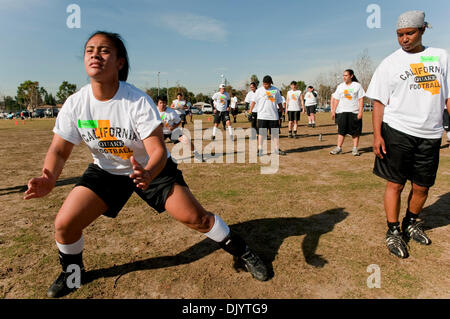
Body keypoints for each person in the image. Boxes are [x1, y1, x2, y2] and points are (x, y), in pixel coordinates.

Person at [23, 31, 269, 298]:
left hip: (151, 168)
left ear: (119, 62)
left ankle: (242, 251)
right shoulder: (76, 103)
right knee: (64, 224)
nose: (95, 54)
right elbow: (59, 150)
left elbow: (157, 150)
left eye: (104, 50)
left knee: (197, 218)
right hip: (106, 171)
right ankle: (73, 273)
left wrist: (149, 172)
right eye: (89, 49)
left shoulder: (136, 101)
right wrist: (48, 177)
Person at [366, 11, 449, 259]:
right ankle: (393, 230)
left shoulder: (441, 57)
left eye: (409, 33)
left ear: (422, 29)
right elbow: (379, 102)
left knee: (422, 186)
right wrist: (377, 136)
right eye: (400, 35)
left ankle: (411, 222)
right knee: (396, 184)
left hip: (431, 134)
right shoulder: (390, 63)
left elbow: (448, 97)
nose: (404, 39)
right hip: (398, 131)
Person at [156, 95, 204, 162]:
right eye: (160, 103)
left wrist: (173, 127)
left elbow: (178, 121)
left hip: (172, 131)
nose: (162, 104)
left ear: (166, 103)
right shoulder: (154, 112)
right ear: (157, 104)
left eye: (164, 102)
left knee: (186, 140)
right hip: (160, 132)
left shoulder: (171, 112)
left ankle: (196, 154)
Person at [330, 70, 365, 156]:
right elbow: (336, 99)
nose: (344, 77)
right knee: (341, 131)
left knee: (355, 132)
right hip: (342, 112)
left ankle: (355, 149)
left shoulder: (357, 86)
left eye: (346, 75)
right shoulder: (340, 86)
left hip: (354, 112)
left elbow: (361, 99)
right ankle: (338, 148)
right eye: (343, 75)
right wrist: (333, 111)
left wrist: (360, 111)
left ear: (351, 76)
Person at [250, 75, 286, 156]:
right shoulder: (259, 91)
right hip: (262, 116)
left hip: (273, 116)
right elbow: (253, 101)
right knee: (261, 134)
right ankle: (260, 149)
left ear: (270, 83)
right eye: (264, 84)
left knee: (275, 134)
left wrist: (282, 111)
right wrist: (250, 111)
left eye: (267, 84)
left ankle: (276, 149)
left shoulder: (276, 90)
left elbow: (279, 102)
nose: (265, 86)